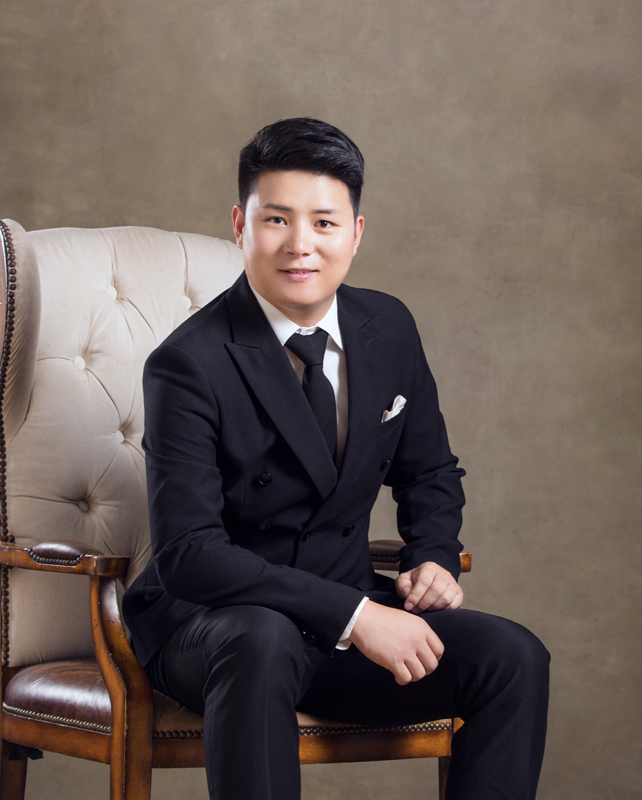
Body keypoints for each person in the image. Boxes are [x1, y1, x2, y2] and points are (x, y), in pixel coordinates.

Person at [122, 117, 549, 800]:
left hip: (340, 619)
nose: (301, 245)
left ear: (356, 232)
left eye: (324, 223)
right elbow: (189, 556)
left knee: (512, 657)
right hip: (211, 626)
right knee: (261, 641)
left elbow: (430, 472)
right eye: (276, 220)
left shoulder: (388, 326)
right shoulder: (187, 364)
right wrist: (356, 616)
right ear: (240, 226)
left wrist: (433, 556)